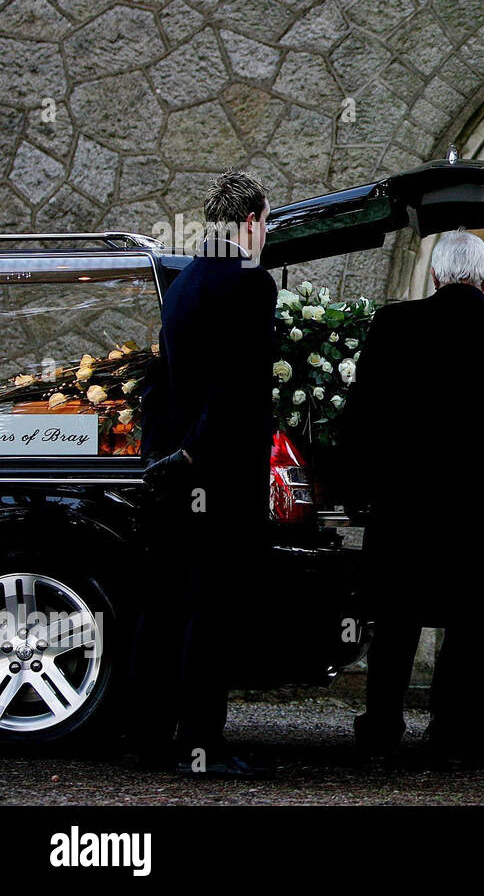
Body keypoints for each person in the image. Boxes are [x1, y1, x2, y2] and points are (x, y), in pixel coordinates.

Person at [343, 230, 484, 767]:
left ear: (435, 275)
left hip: (404, 507)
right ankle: (454, 727)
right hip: (482, 513)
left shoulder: (392, 326)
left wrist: (358, 491)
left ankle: (383, 724)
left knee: (395, 622)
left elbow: (359, 419)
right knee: (471, 621)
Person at [134, 170, 277, 778]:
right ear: (249, 223)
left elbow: (164, 383)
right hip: (216, 471)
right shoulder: (251, 284)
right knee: (210, 611)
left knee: (166, 604)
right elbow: (237, 388)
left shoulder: (186, 279)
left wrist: (166, 455)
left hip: (173, 470)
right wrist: (195, 452)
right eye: (266, 223)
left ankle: (146, 737)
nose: (265, 235)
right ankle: (203, 744)